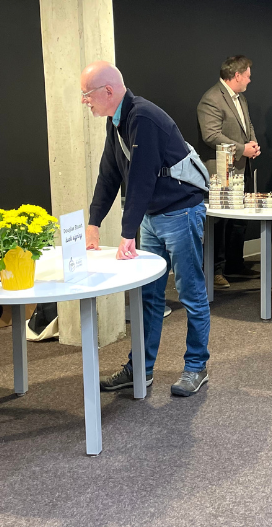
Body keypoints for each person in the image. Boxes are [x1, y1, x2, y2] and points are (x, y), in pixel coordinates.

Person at [83, 61, 212, 396]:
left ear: (108, 91)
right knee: (149, 296)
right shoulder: (117, 121)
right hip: (154, 218)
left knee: (191, 293)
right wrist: (93, 223)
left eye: (87, 94)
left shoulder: (142, 117)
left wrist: (127, 233)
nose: (85, 101)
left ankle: (196, 367)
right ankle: (140, 367)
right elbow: (109, 174)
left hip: (181, 213)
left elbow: (140, 179)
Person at [197, 55, 260, 289]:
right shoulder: (211, 99)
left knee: (237, 220)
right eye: (248, 76)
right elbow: (211, 135)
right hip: (221, 171)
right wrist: (243, 148)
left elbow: (247, 126)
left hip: (240, 168)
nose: (249, 80)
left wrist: (252, 145)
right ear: (237, 75)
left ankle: (234, 264)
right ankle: (214, 270)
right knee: (219, 223)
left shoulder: (239, 98)